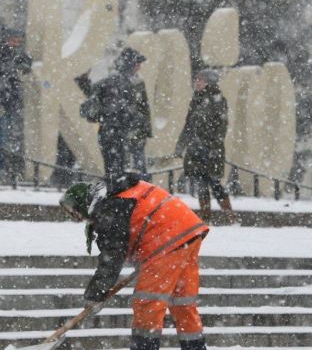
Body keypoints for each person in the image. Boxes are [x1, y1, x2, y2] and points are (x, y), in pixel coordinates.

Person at [59, 174, 209, 350]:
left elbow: (112, 257)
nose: (78, 218)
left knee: (147, 304)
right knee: (182, 303)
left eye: (75, 212)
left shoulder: (109, 206)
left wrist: (95, 294)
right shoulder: (118, 193)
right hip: (188, 232)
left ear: (82, 203)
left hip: (164, 240)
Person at [76, 47, 148, 179]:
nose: (139, 67)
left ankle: (112, 190)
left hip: (106, 131)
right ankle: (116, 194)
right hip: (117, 132)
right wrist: (135, 119)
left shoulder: (109, 80)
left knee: (111, 168)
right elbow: (120, 109)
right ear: (131, 64)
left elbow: (94, 97)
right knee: (118, 170)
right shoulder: (123, 83)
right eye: (138, 64)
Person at [174, 69, 235, 224]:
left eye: (200, 80)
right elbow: (188, 125)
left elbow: (221, 125)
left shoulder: (218, 100)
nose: (197, 82)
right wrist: (180, 145)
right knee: (201, 183)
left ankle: (229, 216)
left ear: (208, 82)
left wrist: (214, 147)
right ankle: (205, 217)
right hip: (196, 148)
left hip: (211, 148)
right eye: (196, 80)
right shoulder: (195, 100)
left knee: (215, 183)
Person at [0, 27, 33, 180]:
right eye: (15, 39)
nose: (17, 42)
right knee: (1, 136)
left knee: (5, 137)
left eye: (19, 40)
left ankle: (0, 167)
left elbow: (24, 67)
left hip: (8, 101)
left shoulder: (13, 54)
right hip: (3, 101)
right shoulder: (1, 54)